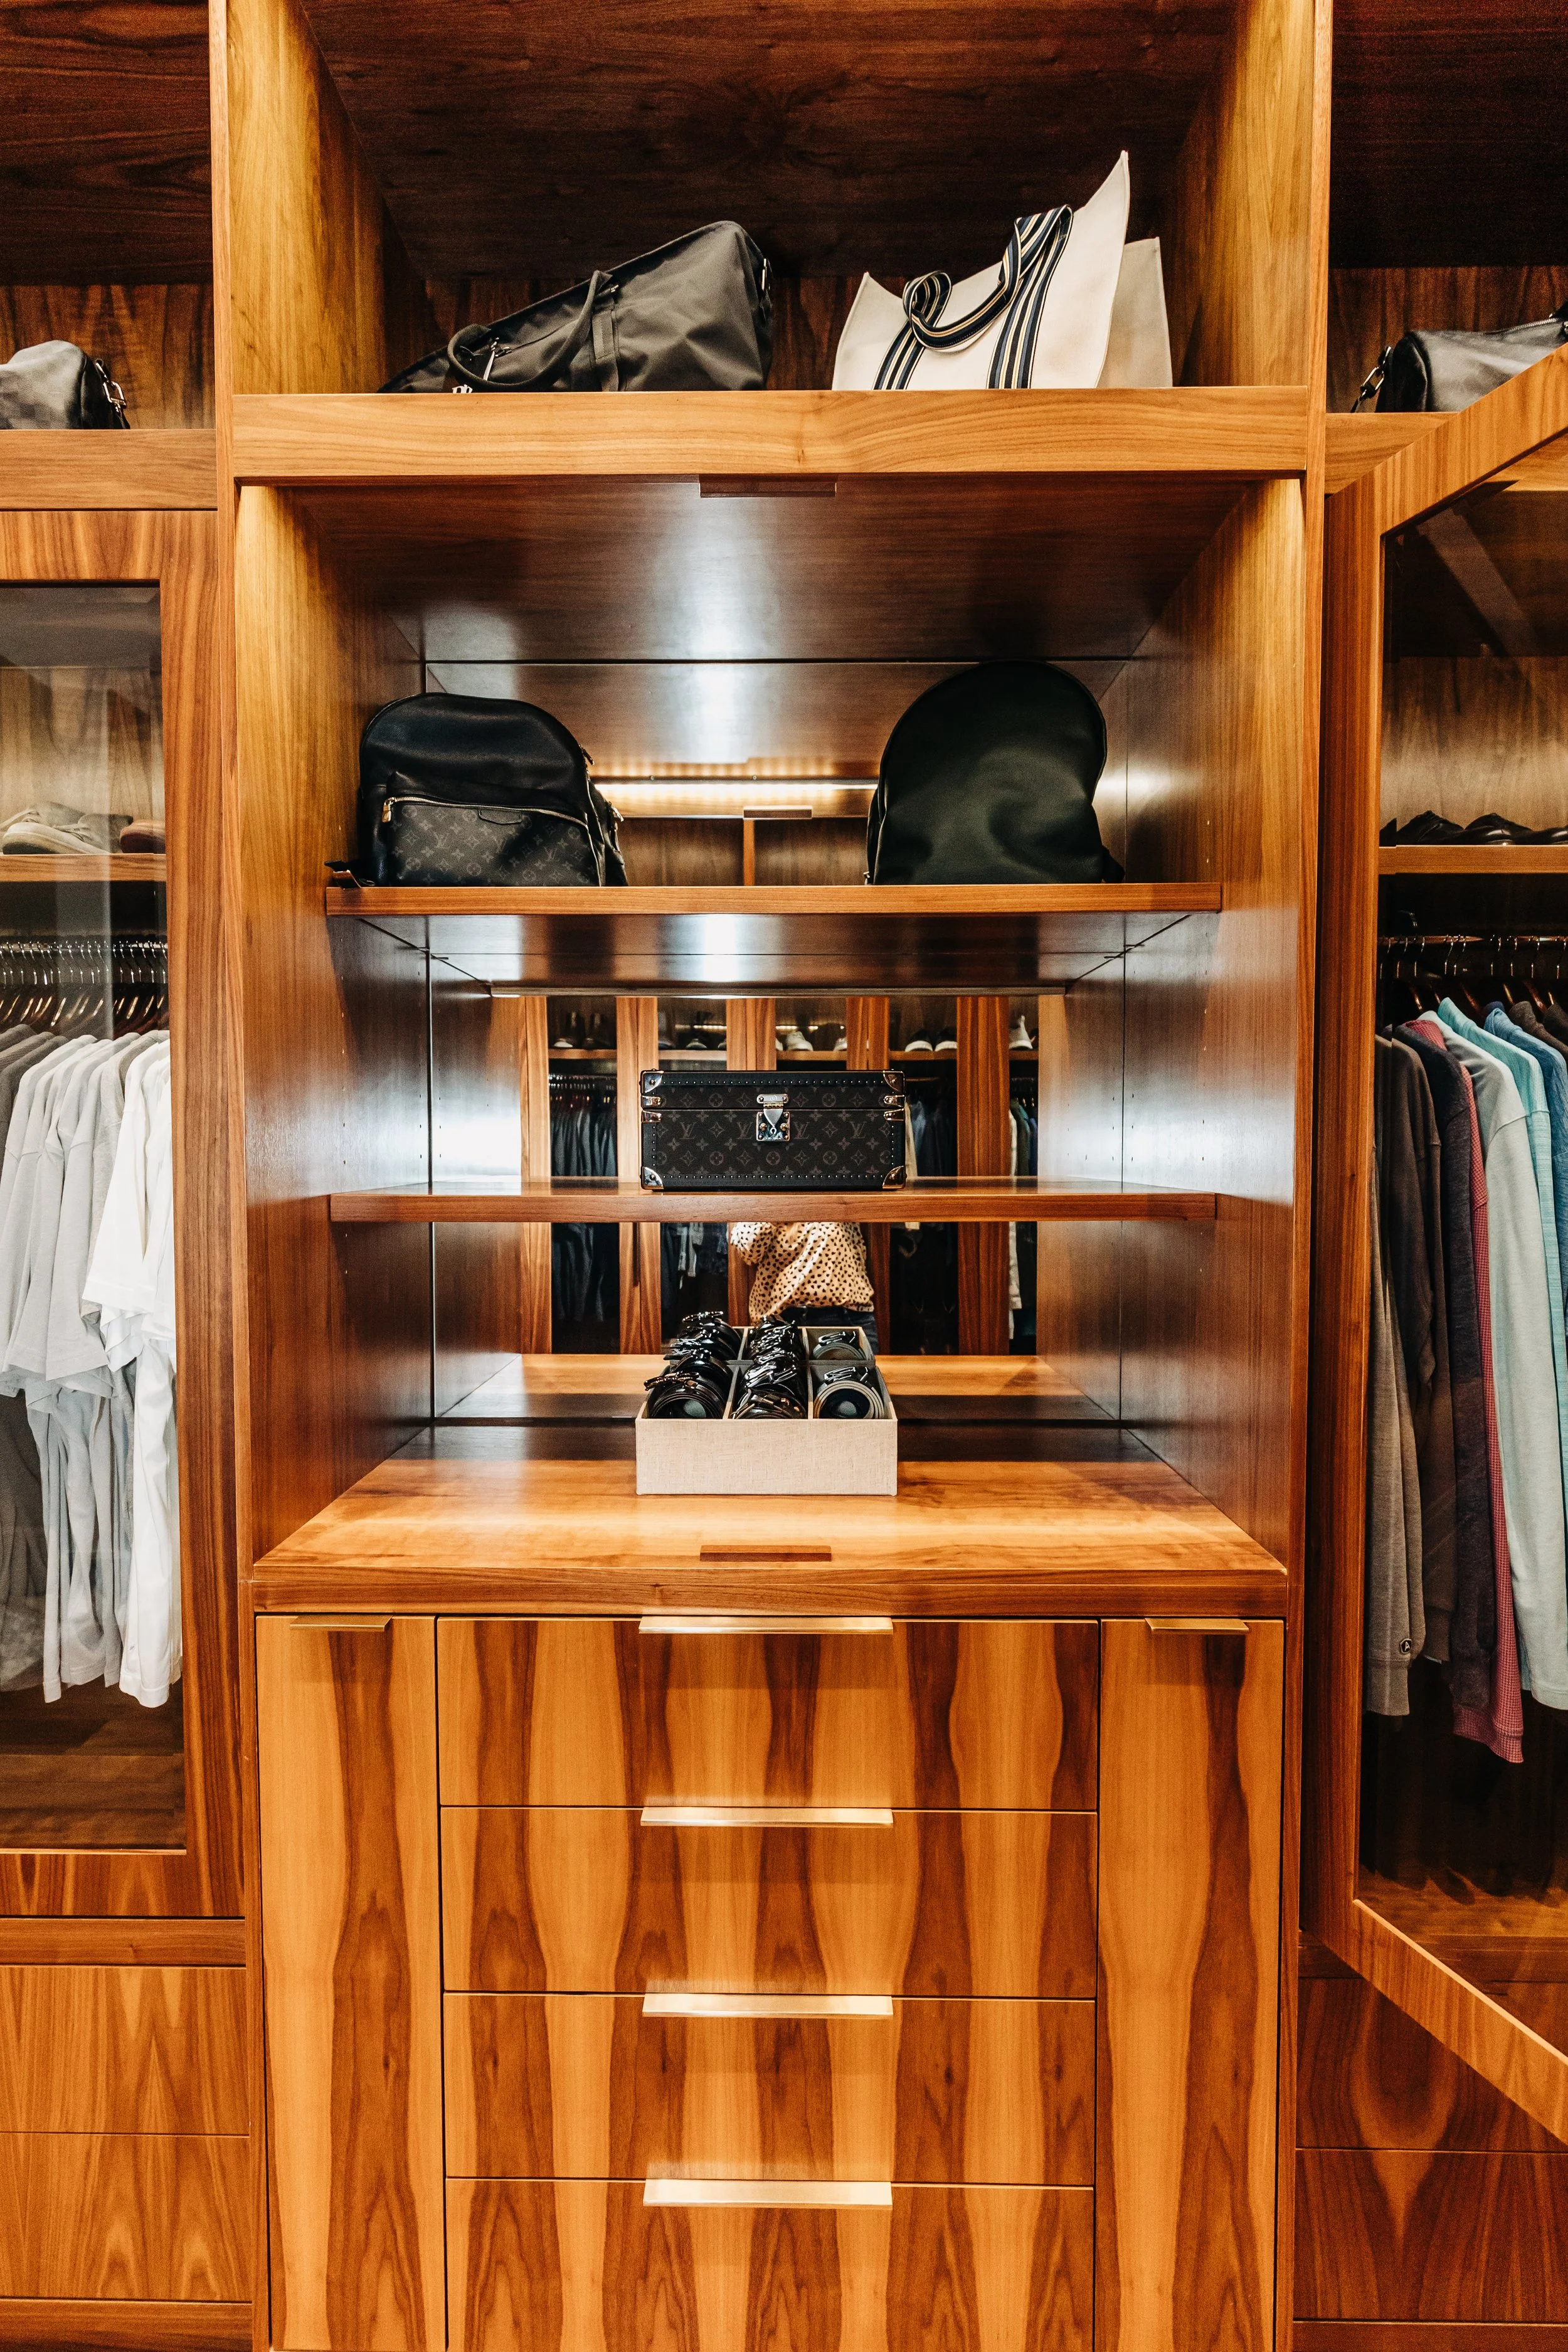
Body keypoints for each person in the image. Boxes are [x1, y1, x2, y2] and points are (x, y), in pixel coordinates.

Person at [729, 1221, 878, 1351]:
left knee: (869, 1381)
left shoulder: (832, 1193)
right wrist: (776, 1203)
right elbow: (749, 1251)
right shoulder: (764, 1197)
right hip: (783, 1320)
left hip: (848, 1315)